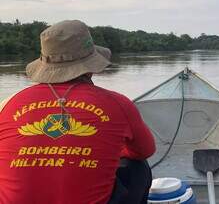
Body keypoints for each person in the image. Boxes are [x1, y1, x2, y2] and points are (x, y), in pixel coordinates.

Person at [0, 20, 156, 204]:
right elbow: (144, 151)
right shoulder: (118, 103)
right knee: (137, 166)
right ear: (90, 67)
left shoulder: (9, 104)